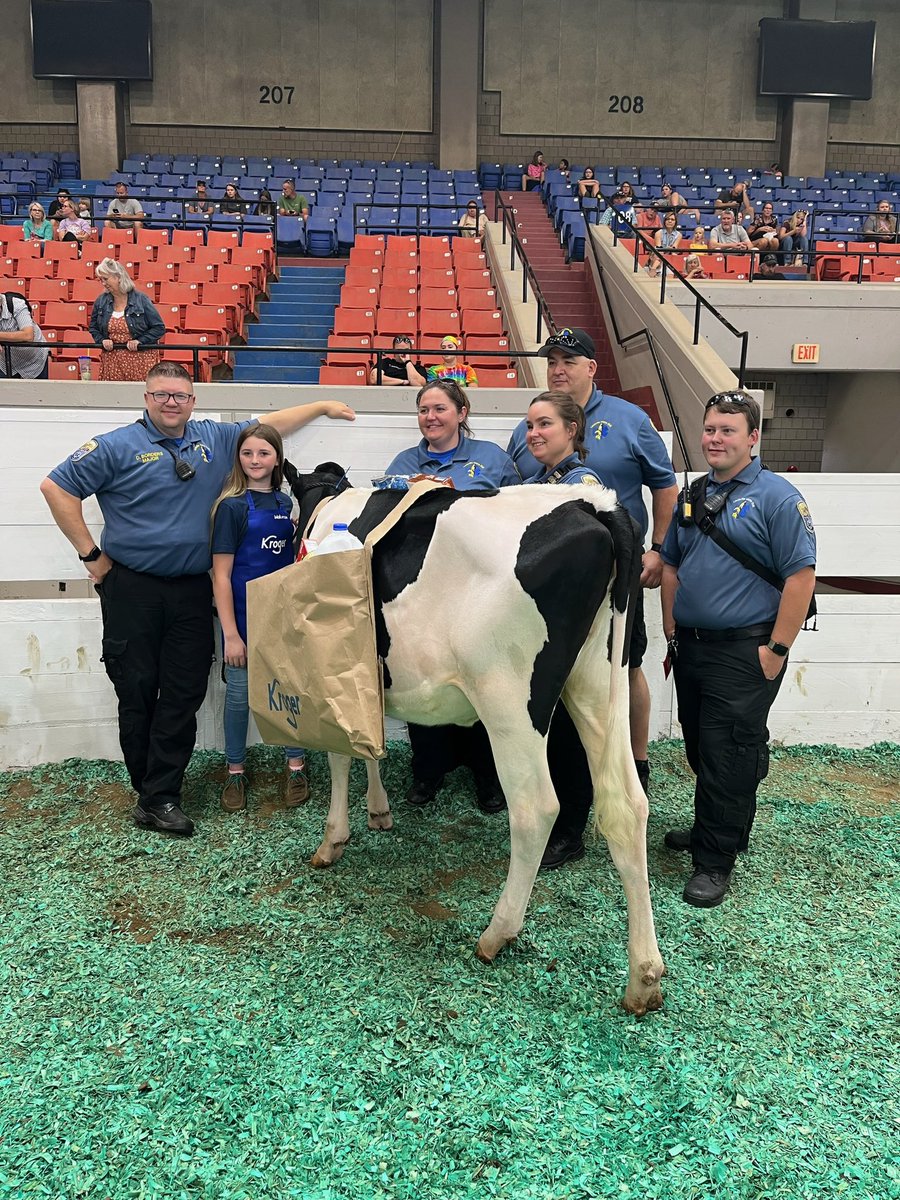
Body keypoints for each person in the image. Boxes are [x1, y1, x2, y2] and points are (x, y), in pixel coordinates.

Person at [39, 362, 356, 836]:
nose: (171, 402)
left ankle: (162, 794)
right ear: (146, 398)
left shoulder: (213, 439)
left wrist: (323, 405)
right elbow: (55, 487)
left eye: (180, 395)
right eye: (162, 394)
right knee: (138, 687)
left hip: (191, 587)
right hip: (132, 587)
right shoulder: (114, 447)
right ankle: (152, 791)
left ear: (193, 401)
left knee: (185, 691)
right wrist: (91, 555)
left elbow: (268, 430)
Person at [507, 328, 678, 868]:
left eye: (568, 359)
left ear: (590, 366)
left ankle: (634, 765)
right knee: (566, 690)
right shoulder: (530, 428)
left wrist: (657, 549)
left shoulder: (629, 420)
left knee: (620, 675)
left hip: (613, 574)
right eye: (551, 359)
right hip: (548, 588)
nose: (558, 367)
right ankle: (581, 799)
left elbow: (665, 486)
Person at [660, 391, 816, 907]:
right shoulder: (694, 493)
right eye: (709, 429)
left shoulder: (778, 497)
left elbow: (800, 578)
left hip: (746, 650)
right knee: (702, 748)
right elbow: (672, 565)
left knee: (727, 753)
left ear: (753, 438)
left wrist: (776, 648)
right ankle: (719, 825)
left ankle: (714, 859)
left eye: (727, 430)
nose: (715, 439)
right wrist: (671, 632)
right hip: (693, 648)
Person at [384, 378, 520, 813]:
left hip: (481, 591)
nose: (431, 417)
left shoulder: (492, 459)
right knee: (423, 679)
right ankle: (427, 771)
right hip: (422, 594)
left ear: (462, 413)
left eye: (440, 408)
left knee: (483, 682)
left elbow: (516, 517)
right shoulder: (403, 463)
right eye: (424, 409)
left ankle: (488, 777)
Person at [211, 424, 309, 812]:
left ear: (277, 458)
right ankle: (235, 771)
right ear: (239, 457)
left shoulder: (287, 506)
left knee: (288, 693)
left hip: (282, 620)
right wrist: (231, 636)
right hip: (242, 622)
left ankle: (296, 765)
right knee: (238, 700)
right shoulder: (232, 507)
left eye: (263, 453)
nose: (255, 461)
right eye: (248, 453)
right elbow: (220, 576)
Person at [89, 258, 165, 383]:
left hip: (141, 361)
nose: (103, 283)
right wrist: (102, 340)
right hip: (112, 362)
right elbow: (93, 327)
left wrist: (140, 341)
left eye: (105, 279)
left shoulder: (141, 300)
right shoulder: (101, 301)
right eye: (101, 279)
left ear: (118, 277)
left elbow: (159, 328)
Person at [523, 391, 604, 485]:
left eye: (544, 424)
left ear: (570, 430)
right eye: (530, 426)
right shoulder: (528, 485)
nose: (533, 434)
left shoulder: (580, 486)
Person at [0, 292, 50, 379]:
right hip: (6, 362)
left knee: (37, 392)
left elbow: (28, 335)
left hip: (34, 361)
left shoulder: (16, 304)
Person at [647, 210, 683, 276]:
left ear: (675, 222)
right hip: (659, 253)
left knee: (674, 255)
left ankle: (668, 272)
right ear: (665, 221)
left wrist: (669, 249)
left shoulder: (679, 235)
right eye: (668, 219)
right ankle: (653, 269)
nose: (670, 221)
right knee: (659, 253)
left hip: (669, 253)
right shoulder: (658, 233)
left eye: (672, 219)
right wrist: (667, 248)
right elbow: (658, 247)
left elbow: (674, 248)